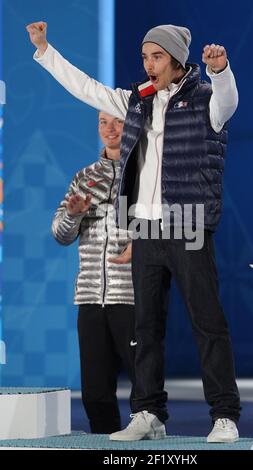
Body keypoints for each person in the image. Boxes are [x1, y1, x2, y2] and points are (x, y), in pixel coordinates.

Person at [27, 21, 241, 443]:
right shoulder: (136, 102)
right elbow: (86, 88)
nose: (148, 64)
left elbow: (228, 103)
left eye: (156, 56)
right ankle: (147, 413)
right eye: (145, 57)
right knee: (145, 328)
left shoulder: (203, 100)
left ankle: (225, 415)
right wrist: (45, 50)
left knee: (207, 322)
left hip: (188, 225)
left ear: (177, 59)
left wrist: (220, 72)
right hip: (143, 228)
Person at [52, 111, 135, 434]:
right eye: (103, 122)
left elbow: (167, 227)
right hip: (89, 297)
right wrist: (74, 215)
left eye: (118, 121)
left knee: (144, 383)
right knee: (95, 389)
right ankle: (104, 440)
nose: (110, 129)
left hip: (131, 296)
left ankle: (152, 440)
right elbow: (60, 234)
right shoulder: (83, 177)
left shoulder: (146, 172)